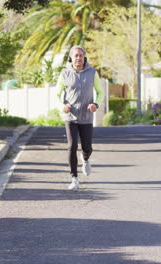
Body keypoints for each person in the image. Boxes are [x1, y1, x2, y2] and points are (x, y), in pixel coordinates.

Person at [56, 46, 104, 190]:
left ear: (85, 57)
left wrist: (96, 104)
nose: (78, 58)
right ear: (71, 58)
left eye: (81, 55)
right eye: (76, 55)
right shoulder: (65, 74)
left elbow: (100, 92)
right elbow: (57, 94)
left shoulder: (92, 73)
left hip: (87, 117)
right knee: (71, 147)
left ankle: (86, 159)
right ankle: (74, 178)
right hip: (70, 116)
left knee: (87, 147)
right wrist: (62, 106)